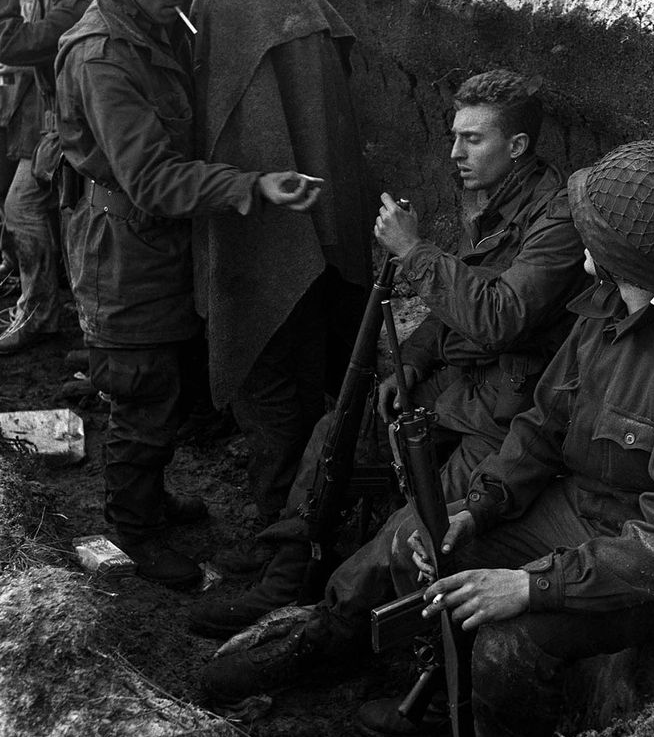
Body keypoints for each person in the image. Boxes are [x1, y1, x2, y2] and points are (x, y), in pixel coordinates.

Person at [201, 140, 654, 737]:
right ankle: (437, 694)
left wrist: (529, 586)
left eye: (595, 237)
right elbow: (541, 428)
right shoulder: (604, 310)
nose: (580, 247)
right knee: (418, 537)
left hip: (647, 564)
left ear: (626, 258)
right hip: (575, 515)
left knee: (509, 643)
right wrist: (479, 506)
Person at [189, 68, 588, 636]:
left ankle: (331, 626)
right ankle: (288, 574)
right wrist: (416, 362)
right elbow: (456, 301)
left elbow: (500, 317)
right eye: (454, 136)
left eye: (472, 139)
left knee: (418, 523)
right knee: (338, 432)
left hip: (506, 416)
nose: (455, 153)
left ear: (517, 145)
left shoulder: (557, 221)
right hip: (458, 387)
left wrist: (413, 249)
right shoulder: (496, 200)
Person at [54, 0, 322, 589]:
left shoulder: (156, 24)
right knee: (141, 392)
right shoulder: (103, 57)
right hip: (121, 251)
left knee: (167, 384)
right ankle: (134, 529)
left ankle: (151, 495)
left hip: (161, 240)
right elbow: (150, 178)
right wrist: (251, 184)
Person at [185, 0, 373, 535]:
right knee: (305, 378)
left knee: (268, 386)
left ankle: (280, 539)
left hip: (261, 229)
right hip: (322, 225)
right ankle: (302, 524)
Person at [0, 0, 100, 353]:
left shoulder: (78, 5)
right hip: (60, 126)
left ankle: (43, 316)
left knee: (32, 213)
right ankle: (45, 310)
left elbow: (12, 43)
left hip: (80, 132)